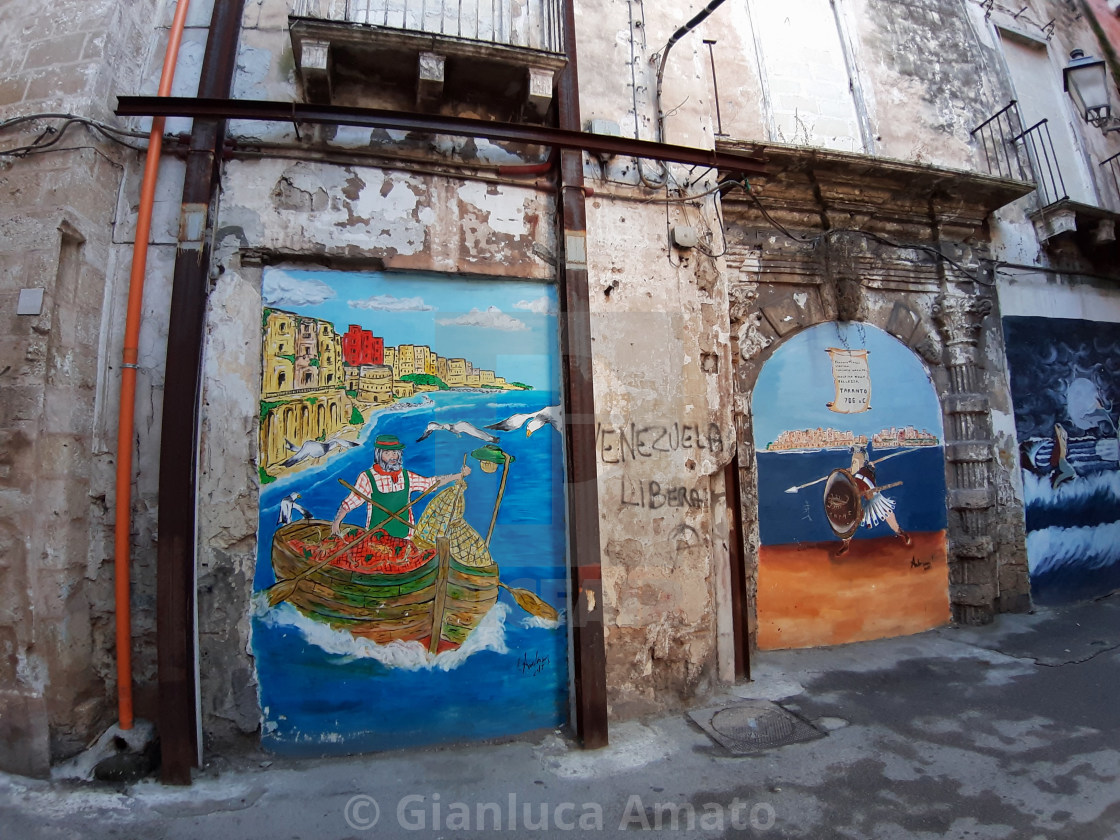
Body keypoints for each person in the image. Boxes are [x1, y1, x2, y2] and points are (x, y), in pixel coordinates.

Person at [330, 434, 469, 539]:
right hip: (375, 537)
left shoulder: (406, 476)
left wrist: (458, 475)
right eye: (387, 453)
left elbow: (431, 483)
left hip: (405, 537)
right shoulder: (367, 477)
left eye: (395, 452)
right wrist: (336, 523)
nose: (393, 456)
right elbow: (350, 503)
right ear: (379, 455)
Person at [835, 445, 910, 556]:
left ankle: (901, 532)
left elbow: (865, 478)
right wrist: (846, 473)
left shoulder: (867, 471)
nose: (854, 462)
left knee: (889, 514)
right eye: (854, 460)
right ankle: (846, 544)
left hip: (876, 498)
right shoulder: (855, 475)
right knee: (852, 521)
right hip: (864, 501)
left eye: (857, 460)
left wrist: (868, 468)